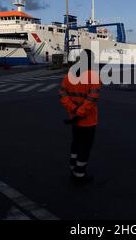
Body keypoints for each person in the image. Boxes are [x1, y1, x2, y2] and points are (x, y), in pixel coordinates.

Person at [59, 49, 101, 183]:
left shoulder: (69, 76)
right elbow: (92, 99)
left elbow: (62, 95)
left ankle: (73, 167)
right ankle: (79, 175)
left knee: (75, 144)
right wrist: (80, 112)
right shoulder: (93, 76)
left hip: (73, 120)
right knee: (85, 147)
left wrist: (73, 110)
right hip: (87, 121)